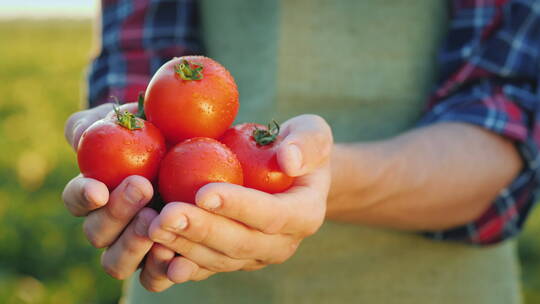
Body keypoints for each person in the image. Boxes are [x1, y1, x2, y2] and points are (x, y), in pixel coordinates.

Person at [62, 0, 540, 303]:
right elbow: (139, 88)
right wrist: (112, 141)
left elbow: (502, 128)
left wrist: (321, 177)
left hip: (434, 286)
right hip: (184, 265)